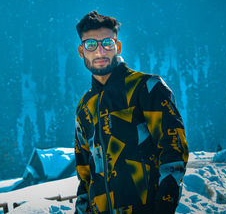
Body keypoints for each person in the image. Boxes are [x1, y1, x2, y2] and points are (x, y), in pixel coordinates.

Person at [74, 11, 189, 214]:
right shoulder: (84, 107)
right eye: (90, 44)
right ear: (82, 51)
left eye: (107, 43)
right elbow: (85, 174)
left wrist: (165, 205)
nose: (100, 51)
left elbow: (173, 153)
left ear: (117, 47)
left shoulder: (147, 88)